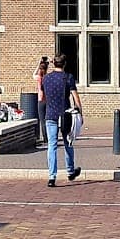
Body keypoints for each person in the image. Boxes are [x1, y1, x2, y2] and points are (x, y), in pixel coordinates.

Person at [39, 54, 82, 188]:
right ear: (64, 64)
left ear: (54, 64)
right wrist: (80, 112)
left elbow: (43, 96)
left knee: (52, 145)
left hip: (50, 114)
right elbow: (75, 97)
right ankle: (70, 171)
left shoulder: (46, 79)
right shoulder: (68, 77)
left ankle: (52, 176)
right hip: (65, 115)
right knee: (68, 142)